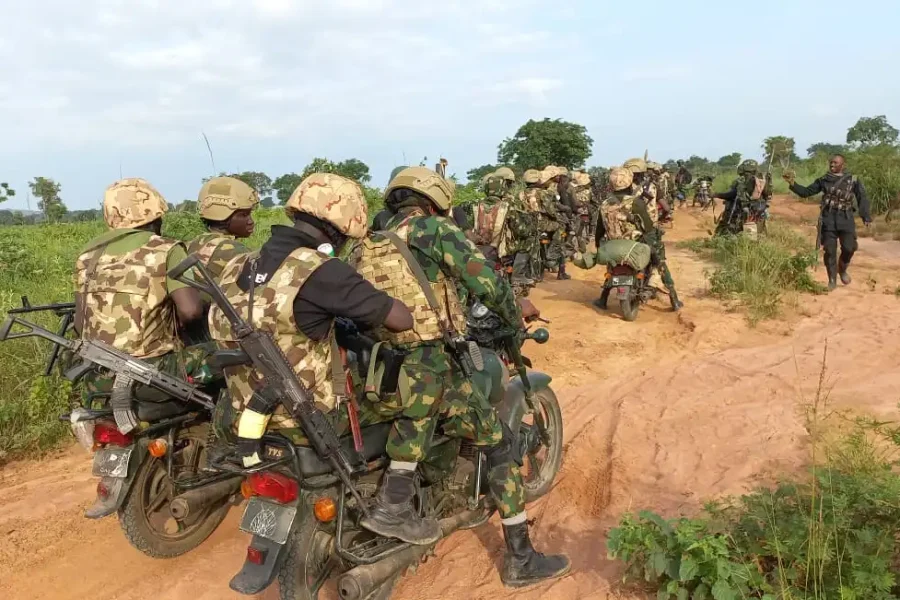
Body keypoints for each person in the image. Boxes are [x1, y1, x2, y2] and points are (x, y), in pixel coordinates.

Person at [352, 166, 571, 587]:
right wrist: (515, 309)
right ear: (433, 199)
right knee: (499, 444)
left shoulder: (368, 244)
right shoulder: (434, 229)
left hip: (382, 370)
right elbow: (486, 283)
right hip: (433, 365)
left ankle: (406, 491)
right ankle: (521, 560)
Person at [206, 173, 428, 534]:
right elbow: (400, 320)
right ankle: (396, 506)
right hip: (310, 416)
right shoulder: (320, 270)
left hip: (243, 412)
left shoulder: (236, 266)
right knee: (426, 385)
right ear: (341, 225)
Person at [74, 178, 217, 403]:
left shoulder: (88, 254)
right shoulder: (167, 249)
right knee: (230, 356)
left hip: (98, 374)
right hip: (152, 372)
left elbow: (80, 324)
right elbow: (191, 312)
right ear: (155, 214)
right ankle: (229, 432)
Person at [594, 167, 683, 311]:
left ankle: (603, 298)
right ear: (630, 183)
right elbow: (647, 226)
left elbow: (599, 229)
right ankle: (674, 299)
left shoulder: (604, 205)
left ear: (611, 185)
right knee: (659, 261)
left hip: (613, 246)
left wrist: (599, 245)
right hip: (635, 245)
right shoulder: (636, 203)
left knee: (612, 267)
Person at [784, 154, 871, 290]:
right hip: (828, 218)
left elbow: (862, 198)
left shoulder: (853, 180)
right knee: (830, 251)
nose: (832, 165)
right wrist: (792, 183)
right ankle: (832, 280)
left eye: (835, 163)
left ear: (843, 165)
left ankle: (842, 268)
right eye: (831, 163)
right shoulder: (824, 180)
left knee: (850, 247)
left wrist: (866, 217)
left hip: (846, 218)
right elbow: (806, 192)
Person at [188, 176, 258, 280]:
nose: (251, 221)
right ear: (224, 215)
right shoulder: (236, 251)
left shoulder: (193, 243)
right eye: (244, 215)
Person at [714, 160, 772, 237]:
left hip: (740, 213)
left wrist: (717, 194)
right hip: (758, 213)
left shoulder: (740, 180)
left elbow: (732, 194)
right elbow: (768, 195)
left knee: (725, 229)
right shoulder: (762, 181)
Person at [537, 166, 572, 280]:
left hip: (537, 222)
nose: (558, 176)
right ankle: (559, 269)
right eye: (556, 175)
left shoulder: (535, 190)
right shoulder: (553, 189)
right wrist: (564, 214)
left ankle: (540, 272)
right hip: (549, 221)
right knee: (561, 236)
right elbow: (554, 208)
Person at [520, 169, 547, 283]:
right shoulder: (542, 193)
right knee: (535, 251)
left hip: (524, 224)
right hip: (539, 223)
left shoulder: (520, 193)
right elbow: (548, 208)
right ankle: (535, 275)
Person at [569, 171, 594, 252]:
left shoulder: (571, 190)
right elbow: (593, 202)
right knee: (581, 233)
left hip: (573, 214)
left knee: (574, 231)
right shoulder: (588, 191)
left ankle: (573, 249)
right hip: (585, 214)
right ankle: (582, 250)